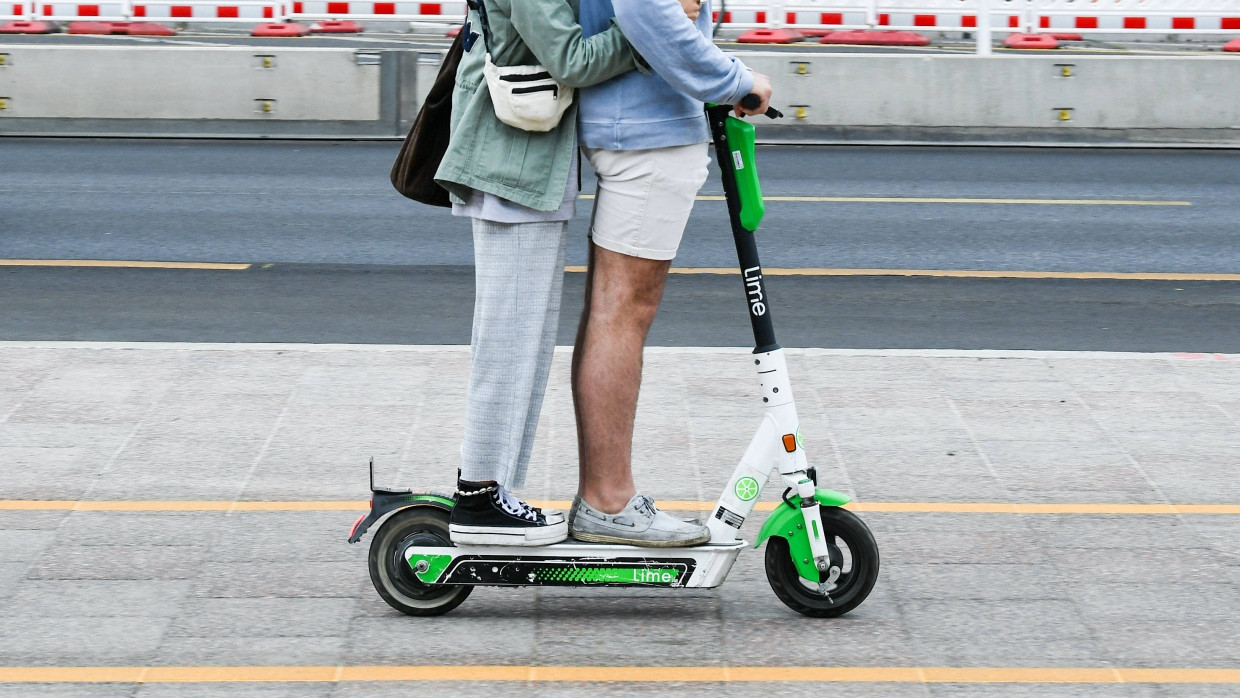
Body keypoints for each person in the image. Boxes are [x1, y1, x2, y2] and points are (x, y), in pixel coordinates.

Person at [432, 0, 696, 547]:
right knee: (508, 340)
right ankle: (479, 496)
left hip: (525, 160)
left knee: (521, 342)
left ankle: (492, 492)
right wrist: (647, 30)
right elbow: (571, 61)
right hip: (509, 161)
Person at [566, 0, 773, 547]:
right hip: (647, 131)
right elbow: (646, 12)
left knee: (611, 311)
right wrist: (735, 81)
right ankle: (608, 500)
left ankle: (603, 496)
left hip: (634, 123)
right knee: (622, 312)